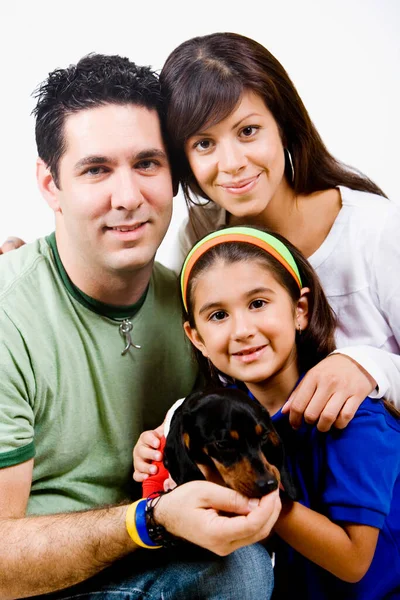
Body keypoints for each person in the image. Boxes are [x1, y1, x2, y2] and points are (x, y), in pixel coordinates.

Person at [0, 53, 281, 599]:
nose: (128, 198)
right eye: (96, 168)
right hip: (39, 582)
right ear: (50, 183)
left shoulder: (196, 306)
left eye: (147, 163)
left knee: (247, 564)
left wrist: (368, 365)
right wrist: (148, 521)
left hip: (147, 558)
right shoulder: (10, 314)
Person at [142, 225, 400, 599]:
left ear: (300, 310)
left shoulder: (352, 416)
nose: (242, 330)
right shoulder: (221, 413)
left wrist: (248, 495)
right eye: (217, 315)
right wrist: (155, 452)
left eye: (258, 304)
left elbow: (353, 562)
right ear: (196, 337)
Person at [159, 31, 400, 429]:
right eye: (204, 143)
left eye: (248, 131)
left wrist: (370, 367)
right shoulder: (199, 236)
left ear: (283, 126)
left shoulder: (373, 230)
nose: (232, 162)